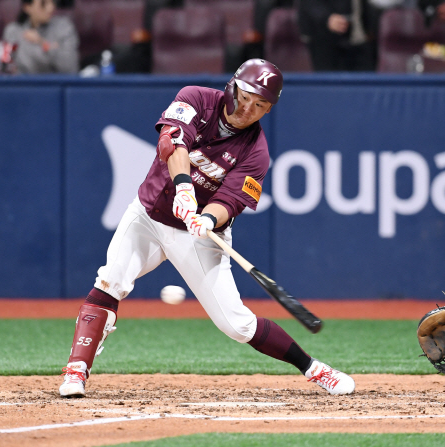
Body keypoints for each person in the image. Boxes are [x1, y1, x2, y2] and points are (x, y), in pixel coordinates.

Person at [58, 59, 355, 398]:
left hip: (196, 235)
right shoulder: (195, 98)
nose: (248, 108)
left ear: (269, 110)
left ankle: (315, 368)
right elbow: (172, 142)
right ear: (233, 86)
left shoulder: (257, 153)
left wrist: (209, 219)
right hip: (149, 215)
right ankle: (77, 370)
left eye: (260, 105)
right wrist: (184, 188)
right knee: (110, 280)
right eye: (246, 96)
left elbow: (231, 201)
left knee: (237, 324)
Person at [298, 0, 380, 71]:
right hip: (327, 41)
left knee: (364, 82)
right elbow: (309, 4)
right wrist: (326, 18)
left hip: (360, 39)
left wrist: (371, 27)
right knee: (330, 83)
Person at [1, 0, 79, 74]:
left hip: (55, 84)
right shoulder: (13, 31)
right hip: (23, 84)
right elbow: (5, 67)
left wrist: (42, 42)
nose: (50, 8)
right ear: (27, 7)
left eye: (52, 2)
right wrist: (53, 48)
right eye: (43, 3)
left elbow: (71, 68)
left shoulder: (63, 27)